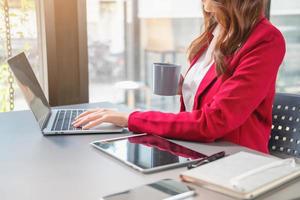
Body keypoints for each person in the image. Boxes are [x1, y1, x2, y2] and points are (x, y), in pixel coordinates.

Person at [73, 0, 286, 153]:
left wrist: (129, 118)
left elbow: (214, 121)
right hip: (196, 149)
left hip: (234, 160)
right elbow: (209, 95)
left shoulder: (266, 40)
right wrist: (184, 86)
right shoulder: (215, 33)